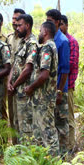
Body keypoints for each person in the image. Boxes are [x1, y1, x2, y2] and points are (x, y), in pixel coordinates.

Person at [24, 21, 60, 155]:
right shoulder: (52, 46)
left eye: (40, 31)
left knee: (48, 132)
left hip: (44, 98)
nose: (39, 33)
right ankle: (44, 163)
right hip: (43, 98)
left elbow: (44, 75)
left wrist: (31, 87)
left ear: (45, 32)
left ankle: (54, 164)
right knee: (40, 132)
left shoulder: (46, 48)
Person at [7, 14, 38, 141]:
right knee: (16, 124)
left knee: (26, 128)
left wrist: (14, 85)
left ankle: (26, 157)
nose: (17, 28)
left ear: (28, 25)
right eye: (16, 25)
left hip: (24, 92)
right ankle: (18, 155)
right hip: (16, 91)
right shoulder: (21, 43)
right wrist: (9, 82)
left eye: (20, 25)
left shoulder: (32, 43)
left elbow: (28, 69)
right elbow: (14, 65)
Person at [46, 9, 70, 155]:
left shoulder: (63, 41)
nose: (47, 23)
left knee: (61, 123)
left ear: (57, 22)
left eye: (49, 20)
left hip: (60, 90)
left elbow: (65, 69)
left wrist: (59, 91)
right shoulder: (49, 39)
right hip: (49, 90)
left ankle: (64, 155)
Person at [60, 14, 79, 153]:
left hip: (69, 85)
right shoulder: (57, 41)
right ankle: (63, 145)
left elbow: (71, 64)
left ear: (66, 25)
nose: (59, 27)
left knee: (70, 117)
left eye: (62, 24)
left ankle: (71, 146)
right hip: (60, 85)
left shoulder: (71, 42)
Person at [6, 8, 25, 144]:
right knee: (12, 115)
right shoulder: (9, 38)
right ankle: (14, 144)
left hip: (22, 82)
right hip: (9, 82)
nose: (14, 22)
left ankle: (24, 146)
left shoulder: (27, 40)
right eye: (13, 19)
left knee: (22, 117)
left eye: (17, 19)